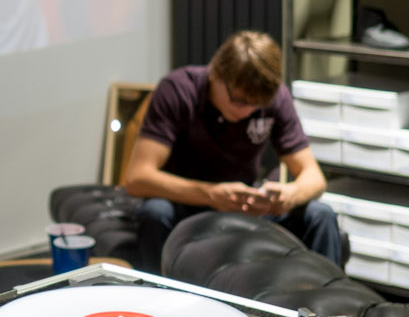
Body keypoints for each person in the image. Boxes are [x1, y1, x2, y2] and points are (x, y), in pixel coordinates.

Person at [123, 31, 344, 273]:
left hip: (244, 208)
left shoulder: (275, 98)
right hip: (186, 205)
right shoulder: (177, 90)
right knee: (155, 212)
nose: (246, 111)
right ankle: (157, 303)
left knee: (320, 215)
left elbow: (314, 177)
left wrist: (288, 195)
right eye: (238, 100)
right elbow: (137, 178)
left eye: (255, 105)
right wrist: (211, 194)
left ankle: (327, 304)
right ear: (215, 73)